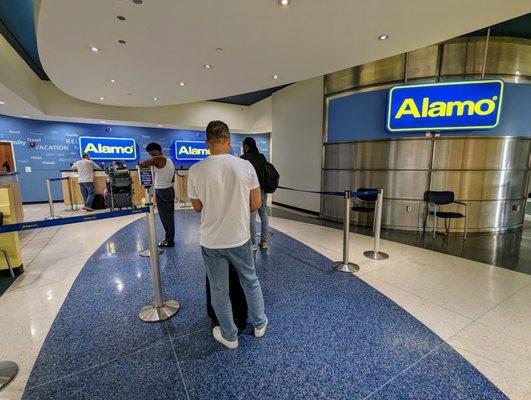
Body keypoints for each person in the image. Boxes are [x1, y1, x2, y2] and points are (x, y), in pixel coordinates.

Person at [188, 120, 268, 350]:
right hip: (239, 237)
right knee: (250, 281)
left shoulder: (196, 170)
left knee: (219, 289)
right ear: (229, 139)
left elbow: (197, 207)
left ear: (207, 143)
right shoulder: (245, 167)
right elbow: (256, 203)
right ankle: (260, 324)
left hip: (211, 240)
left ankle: (229, 336)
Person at [139, 142, 176, 247]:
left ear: (155, 151)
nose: (151, 156)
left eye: (151, 153)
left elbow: (142, 164)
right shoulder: (169, 160)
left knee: (165, 218)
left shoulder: (159, 158)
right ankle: (169, 239)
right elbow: (172, 178)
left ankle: (169, 241)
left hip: (162, 191)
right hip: (169, 189)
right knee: (169, 217)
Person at [241, 137, 269, 250]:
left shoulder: (243, 158)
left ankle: (253, 243)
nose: (243, 148)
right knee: (264, 215)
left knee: (252, 216)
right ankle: (264, 241)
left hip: (250, 190)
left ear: (247, 146)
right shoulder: (262, 157)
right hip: (262, 190)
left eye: (243, 146)